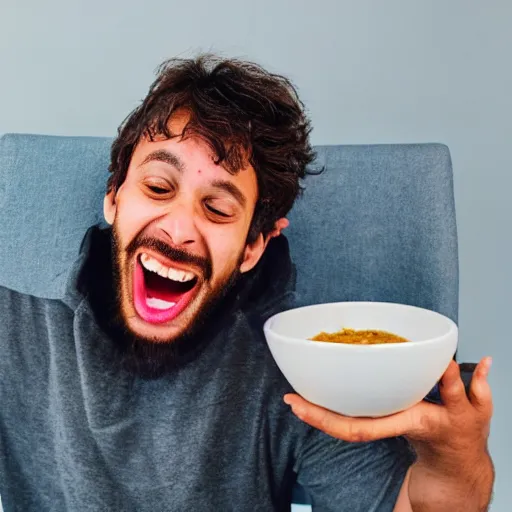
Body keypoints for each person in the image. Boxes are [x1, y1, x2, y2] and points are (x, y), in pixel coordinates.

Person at [0, 55, 494, 511]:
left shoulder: (300, 360)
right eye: (157, 188)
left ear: (254, 245)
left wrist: (456, 457)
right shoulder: (14, 316)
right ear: (114, 197)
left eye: (217, 208)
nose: (178, 230)